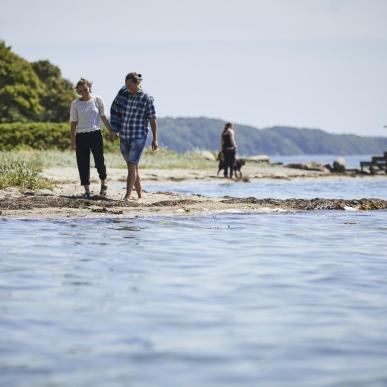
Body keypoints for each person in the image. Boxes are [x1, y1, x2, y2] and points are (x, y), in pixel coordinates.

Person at [110, 72, 158, 202]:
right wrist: (114, 129)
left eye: (130, 85)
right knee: (133, 166)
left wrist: (155, 138)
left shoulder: (147, 98)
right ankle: (140, 195)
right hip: (124, 134)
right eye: (126, 84)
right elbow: (115, 109)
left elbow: (152, 119)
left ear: (137, 83)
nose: (127, 87)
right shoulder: (123, 93)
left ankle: (128, 195)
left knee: (132, 165)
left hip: (138, 136)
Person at [69, 78, 117, 198]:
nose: (83, 92)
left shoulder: (97, 100)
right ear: (78, 92)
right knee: (82, 163)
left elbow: (103, 117)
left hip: (95, 134)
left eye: (85, 89)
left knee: (99, 161)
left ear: (89, 87)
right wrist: (72, 140)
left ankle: (103, 183)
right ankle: (87, 190)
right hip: (81, 136)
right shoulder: (75, 104)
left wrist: (111, 131)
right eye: (80, 91)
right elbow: (73, 123)